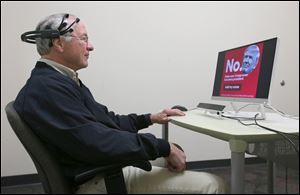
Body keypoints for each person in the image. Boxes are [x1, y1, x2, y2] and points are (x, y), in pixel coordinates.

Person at [14, 13, 227, 194]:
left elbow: (107, 121)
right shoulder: (47, 90)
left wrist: (150, 118)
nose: (91, 46)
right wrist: (162, 146)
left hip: (98, 166)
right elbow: (98, 142)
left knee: (172, 154)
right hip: (97, 178)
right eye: (84, 38)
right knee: (214, 184)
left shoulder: (59, 81)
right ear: (59, 43)